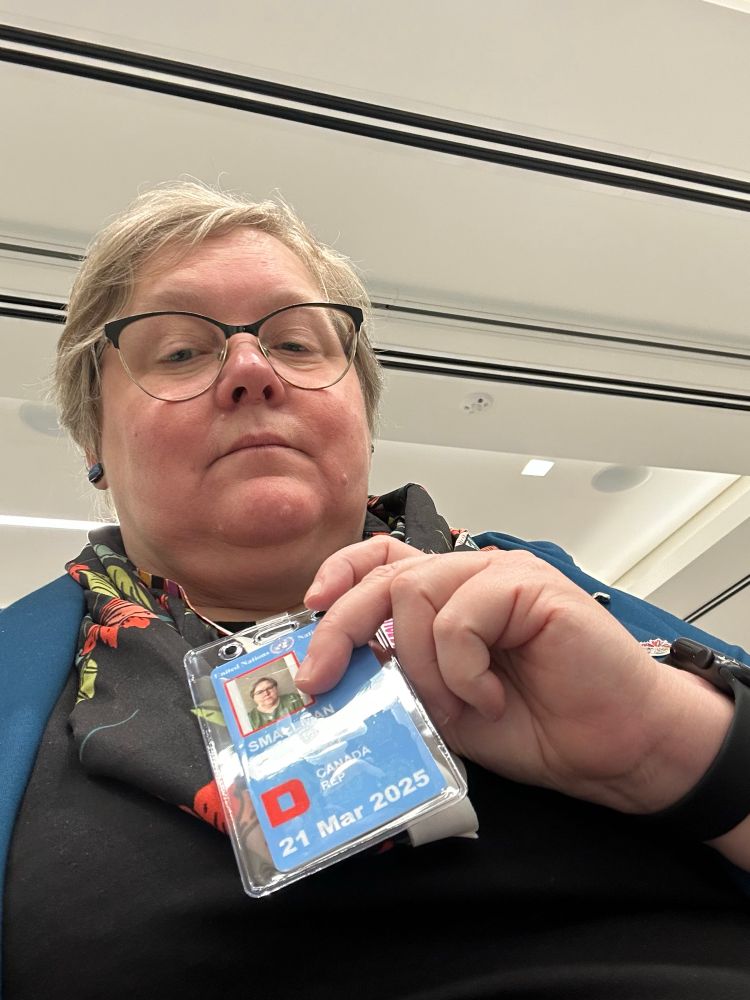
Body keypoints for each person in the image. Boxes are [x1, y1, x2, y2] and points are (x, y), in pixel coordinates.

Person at [2, 179, 750, 1000]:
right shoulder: (21, 675)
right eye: (181, 351)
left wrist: (670, 745)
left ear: (360, 409)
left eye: (295, 344)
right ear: (92, 437)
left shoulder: (542, 595)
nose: (252, 371)